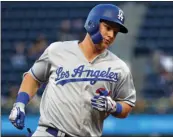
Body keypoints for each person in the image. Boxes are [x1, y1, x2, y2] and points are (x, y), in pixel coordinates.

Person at [9, 4, 136, 137]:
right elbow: (33, 77)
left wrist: (115, 107)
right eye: (108, 28)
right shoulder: (58, 50)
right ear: (93, 23)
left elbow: (127, 104)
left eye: (115, 32)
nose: (111, 35)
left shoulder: (119, 67)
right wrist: (20, 103)